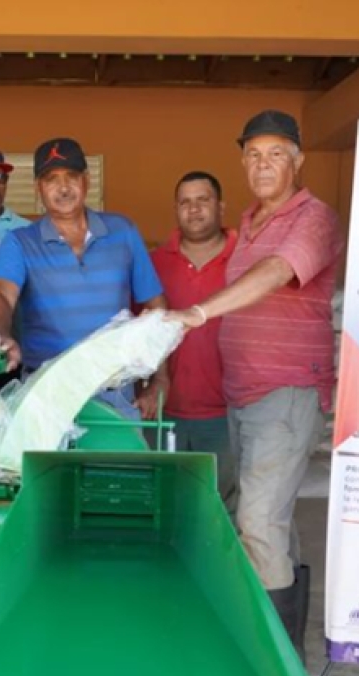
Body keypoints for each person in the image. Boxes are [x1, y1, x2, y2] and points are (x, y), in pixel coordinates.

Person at [166, 111, 344, 661]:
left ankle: (271, 663)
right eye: (254, 155)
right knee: (273, 522)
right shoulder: (248, 222)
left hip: (284, 393)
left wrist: (198, 312)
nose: (263, 165)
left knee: (258, 521)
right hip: (242, 395)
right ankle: (288, 653)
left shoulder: (314, 217)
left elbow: (275, 272)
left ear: (298, 160)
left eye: (276, 154)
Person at [0, 137, 167, 420]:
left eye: (71, 176)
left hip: (115, 394)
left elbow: (156, 306)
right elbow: (0, 295)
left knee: (120, 452)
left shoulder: (123, 231)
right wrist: (2, 336)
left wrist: (159, 379)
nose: (63, 187)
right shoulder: (20, 242)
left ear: (86, 181)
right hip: (45, 395)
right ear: (38, 187)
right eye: (51, 179)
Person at [150, 171, 237, 515]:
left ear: (221, 207)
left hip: (227, 415)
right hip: (164, 413)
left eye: (203, 200)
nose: (194, 209)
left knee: (221, 510)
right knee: (165, 507)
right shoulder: (154, 263)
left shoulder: (246, 261)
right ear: (176, 209)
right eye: (185, 202)